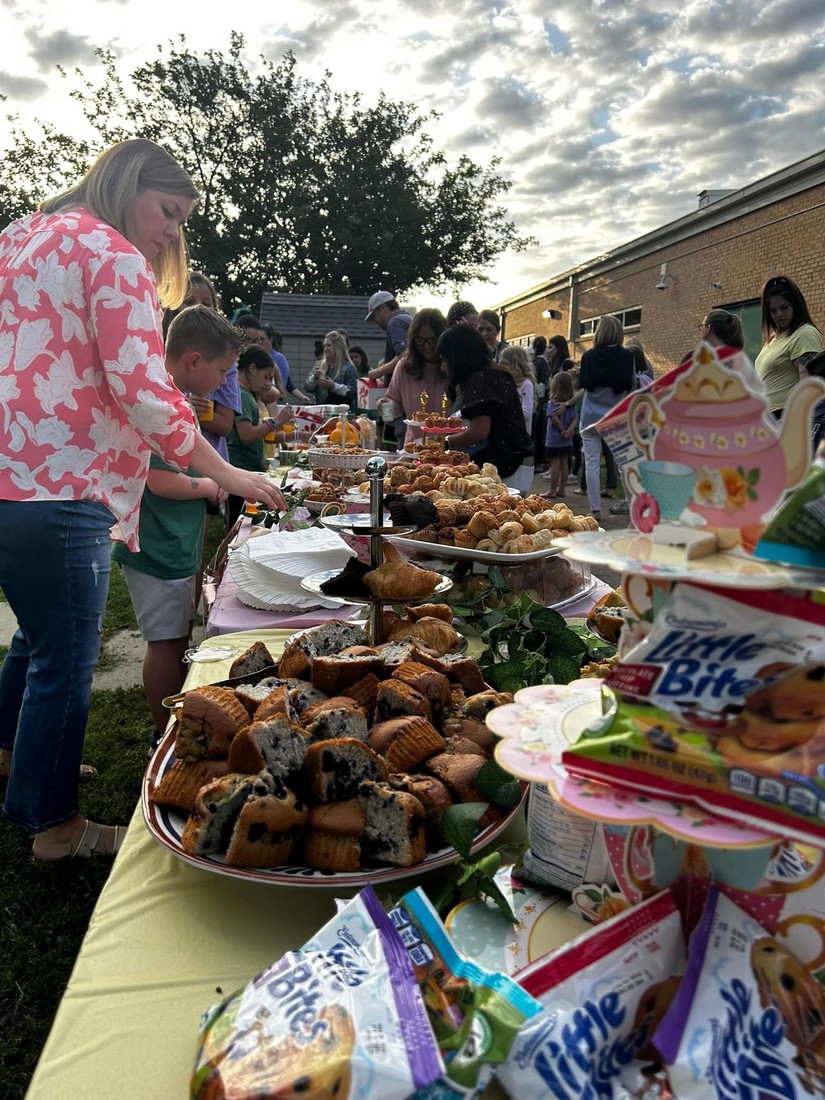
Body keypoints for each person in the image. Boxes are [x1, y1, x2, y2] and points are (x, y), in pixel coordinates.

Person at [0, 138, 284, 862]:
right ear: (125, 184)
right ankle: (53, 826)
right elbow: (145, 390)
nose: (169, 232)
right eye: (166, 210)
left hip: (13, 472)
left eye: (179, 219)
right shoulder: (112, 253)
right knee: (65, 657)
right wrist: (230, 475)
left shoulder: (23, 235)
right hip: (65, 483)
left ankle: (13, 761)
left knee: (35, 640)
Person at [112, 307, 243, 746]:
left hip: (175, 542)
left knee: (177, 634)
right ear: (193, 360)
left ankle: (176, 716)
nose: (224, 382)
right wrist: (208, 484)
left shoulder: (177, 398)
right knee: (165, 643)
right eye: (222, 371)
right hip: (155, 545)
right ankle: (162, 733)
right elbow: (157, 478)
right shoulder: (157, 402)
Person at [562, 315, 634, 519]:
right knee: (624, 465)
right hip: (616, 416)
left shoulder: (589, 356)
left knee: (592, 463)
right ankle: (631, 506)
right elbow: (631, 388)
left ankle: (595, 510)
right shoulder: (627, 357)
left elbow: (584, 386)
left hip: (590, 416)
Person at [437, 326, 533, 477]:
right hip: (517, 461)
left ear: (459, 359)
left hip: (504, 465)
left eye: (444, 361)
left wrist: (444, 443)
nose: (443, 367)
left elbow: (479, 432)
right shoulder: (495, 374)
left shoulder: (480, 380)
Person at [226, 347, 294, 527]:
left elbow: (272, 394)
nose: (267, 383)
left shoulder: (247, 394)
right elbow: (246, 435)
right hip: (243, 468)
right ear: (252, 369)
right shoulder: (242, 395)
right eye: (266, 377)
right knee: (241, 524)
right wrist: (276, 421)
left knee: (244, 521)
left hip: (246, 468)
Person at [755, 275, 822, 417]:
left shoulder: (804, 333)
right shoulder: (774, 337)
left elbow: (809, 380)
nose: (779, 314)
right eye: (773, 310)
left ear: (795, 305)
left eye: (784, 307)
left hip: (785, 416)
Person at [385, 308, 449, 448]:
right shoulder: (405, 367)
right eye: (420, 341)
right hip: (415, 449)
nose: (426, 346)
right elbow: (394, 403)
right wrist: (385, 405)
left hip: (449, 449)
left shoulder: (453, 366)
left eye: (432, 341)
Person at [498, 345, 536, 491]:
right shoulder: (504, 384)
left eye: (505, 363)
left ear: (516, 365)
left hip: (519, 442)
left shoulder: (526, 385)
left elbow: (526, 412)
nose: (500, 366)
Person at [365, 291, 413, 384]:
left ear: (383, 308)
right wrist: (387, 362)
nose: (375, 321)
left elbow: (405, 355)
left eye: (374, 316)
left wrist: (380, 371)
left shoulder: (395, 323)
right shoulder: (406, 318)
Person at [544, 371, 579, 497]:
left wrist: (561, 430)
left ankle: (552, 490)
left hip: (554, 438)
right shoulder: (571, 404)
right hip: (567, 439)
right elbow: (575, 418)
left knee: (555, 464)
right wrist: (569, 430)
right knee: (565, 464)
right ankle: (562, 489)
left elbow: (553, 417)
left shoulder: (552, 403)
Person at [305, 330, 358, 410]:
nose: (325, 349)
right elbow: (307, 387)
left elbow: (353, 392)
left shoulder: (348, 367)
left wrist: (333, 386)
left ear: (338, 347)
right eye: (325, 346)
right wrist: (314, 378)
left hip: (342, 413)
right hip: (321, 411)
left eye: (329, 346)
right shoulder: (319, 365)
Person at [532, 336, 551, 473]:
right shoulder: (544, 362)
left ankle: (538, 461)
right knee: (540, 432)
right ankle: (540, 460)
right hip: (542, 399)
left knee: (537, 431)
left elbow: (539, 382)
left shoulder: (537, 362)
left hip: (538, 400)